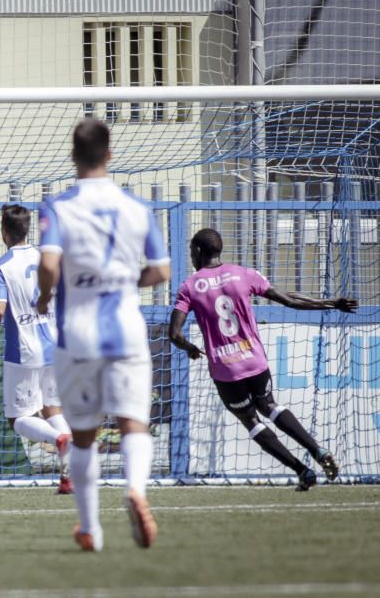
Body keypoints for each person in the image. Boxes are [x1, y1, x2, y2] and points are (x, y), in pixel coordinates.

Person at [36, 118, 170, 552]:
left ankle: (91, 528)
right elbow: (162, 270)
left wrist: (44, 295)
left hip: (77, 333)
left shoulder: (58, 207)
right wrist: (125, 281)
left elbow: (50, 264)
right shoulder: (137, 208)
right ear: (110, 155)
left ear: (73, 156)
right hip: (127, 329)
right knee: (134, 424)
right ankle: (136, 489)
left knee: (83, 435)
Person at [169, 228, 357, 491]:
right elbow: (289, 300)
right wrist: (331, 303)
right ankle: (317, 450)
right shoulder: (244, 274)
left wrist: (189, 347)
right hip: (254, 361)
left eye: (191, 250)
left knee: (251, 420)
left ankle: (302, 471)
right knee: (269, 405)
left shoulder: (190, 286)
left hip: (226, 370)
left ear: (198, 251)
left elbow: (174, 334)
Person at [0, 204, 74, 494]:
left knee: (18, 419)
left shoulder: (0, 266)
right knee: (52, 408)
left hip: (24, 352)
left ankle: (60, 441)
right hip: (56, 347)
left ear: (4, 232)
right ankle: (68, 473)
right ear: (27, 229)